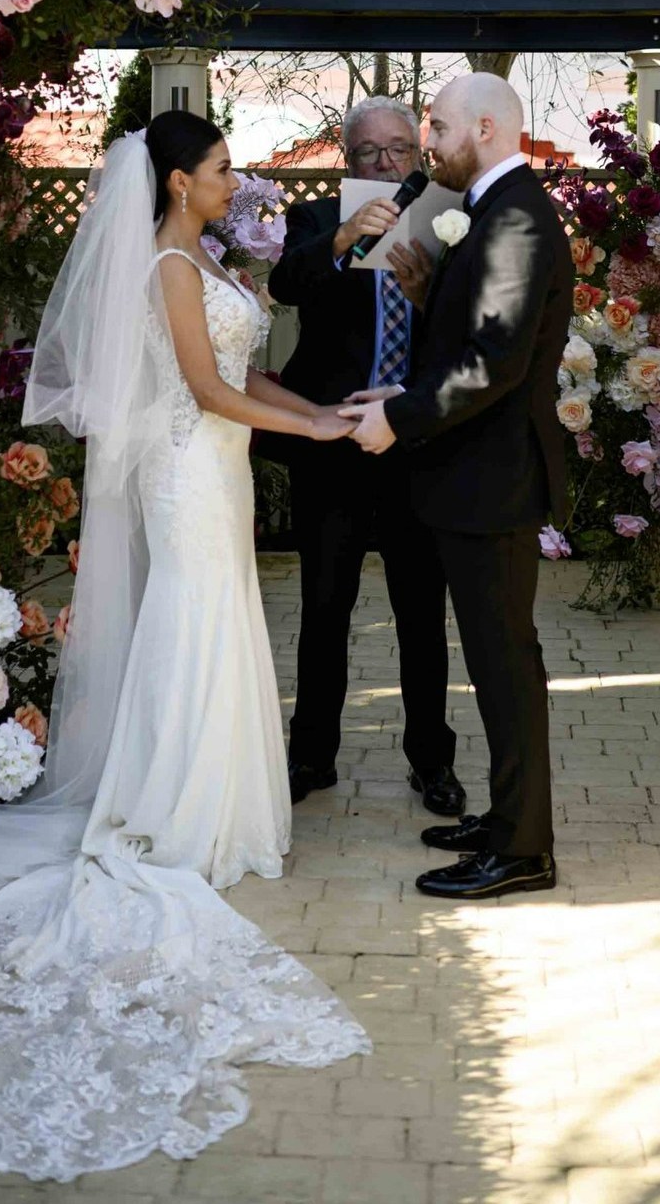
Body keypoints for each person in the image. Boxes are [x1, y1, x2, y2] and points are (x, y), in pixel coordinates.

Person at [0, 111, 368, 1180]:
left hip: (220, 467)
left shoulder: (205, 256)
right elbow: (206, 391)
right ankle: (170, 806)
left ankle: (216, 805)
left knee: (225, 621)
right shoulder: (169, 267)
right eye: (219, 170)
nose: (234, 181)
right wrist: (316, 435)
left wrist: (323, 409)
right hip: (183, 470)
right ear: (176, 183)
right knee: (194, 619)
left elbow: (246, 378)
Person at [342, 75, 571, 901]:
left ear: (485, 126)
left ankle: (522, 849)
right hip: (472, 476)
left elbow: (494, 362)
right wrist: (392, 395)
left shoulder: (515, 216)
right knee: (494, 661)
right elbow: (465, 341)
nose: (427, 139)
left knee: (506, 666)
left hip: (494, 481)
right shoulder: (491, 208)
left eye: (434, 125)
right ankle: (509, 819)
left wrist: (399, 420)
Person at [268, 96, 463, 816]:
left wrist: (429, 289)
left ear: (419, 152)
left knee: (421, 611)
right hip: (335, 443)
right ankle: (311, 754)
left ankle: (432, 760)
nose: (386, 164)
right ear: (346, 160)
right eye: (369, 153)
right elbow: (285, 284)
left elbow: (471, 321)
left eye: (399, 150)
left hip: (415, 442)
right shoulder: (317, 219)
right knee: (325, 607)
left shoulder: (449, 215)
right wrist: (343, 235)